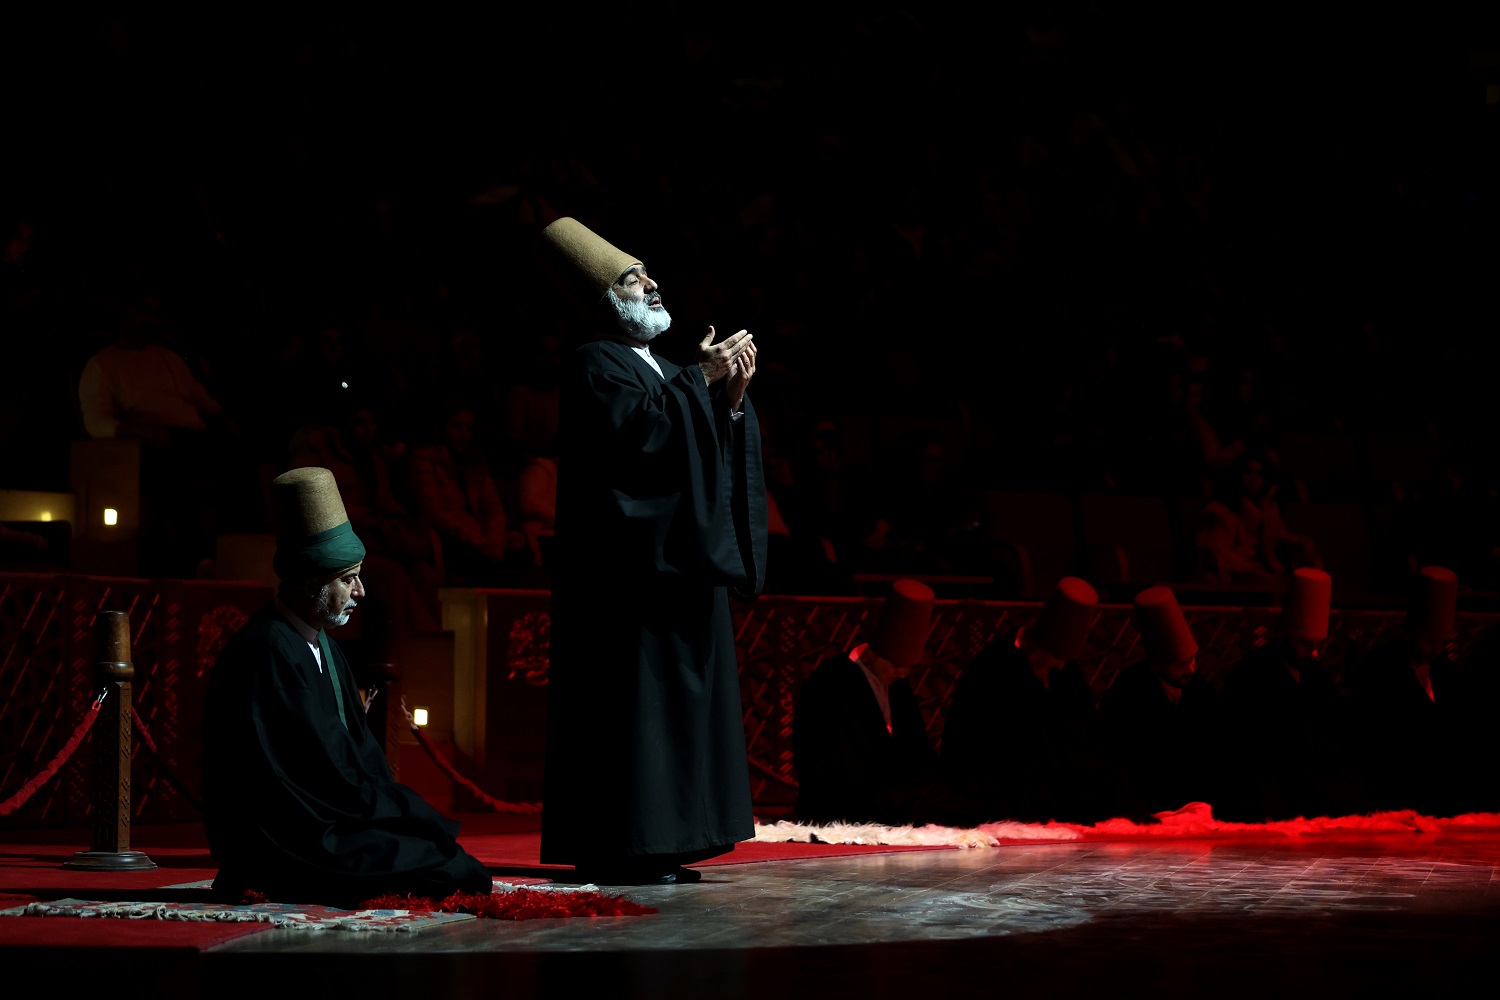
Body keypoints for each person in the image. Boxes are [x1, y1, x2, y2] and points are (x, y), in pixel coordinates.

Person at [535, 216, 768, 885]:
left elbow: (696, 445)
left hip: (678, 567)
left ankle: (671, 840)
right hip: (628, 576)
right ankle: (624, 844)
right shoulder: (594, 363)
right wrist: (700, 381)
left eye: (646, 274)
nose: (653, 285)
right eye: (635, 280)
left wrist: (730, 400)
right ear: (607, 300)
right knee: (635, 714)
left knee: (678, 714)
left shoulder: (662, 367)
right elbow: (638, 446)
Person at [200, 466, 492, 906]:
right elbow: (306, 774)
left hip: (333, 814)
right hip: (291, 833)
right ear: (310, 582)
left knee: (446, 857)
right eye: (347, 579)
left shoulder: (322, 645)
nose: (360, 592)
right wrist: (386, 808)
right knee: (447, 870)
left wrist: (389, 805)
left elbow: (354, 754)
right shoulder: (268, 649)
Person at [792, 579, 978, 826]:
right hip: (847, 797)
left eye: (907, 667)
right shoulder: (831, 682)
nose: (902, 673)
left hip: (893, 790)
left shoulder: (898, 684)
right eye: (897, 665)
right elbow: (833, 764)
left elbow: (917, 750)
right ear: (876, 651)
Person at [939, 576, 1112, 824]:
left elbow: (1083, 736)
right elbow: (984, 752)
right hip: (1000, 795)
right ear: (1034, 648)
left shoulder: (1066, 672)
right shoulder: (994, 670)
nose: (1055, 670)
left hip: (1054, 793)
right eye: (1049, 663)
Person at [1213, 568, 1355, 821]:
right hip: (1267, 800)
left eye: (1317, 645)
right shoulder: (1252, 673)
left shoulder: (1317, 676)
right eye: (1305, 644)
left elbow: (1338, 738)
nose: (1313, 654)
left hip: (1316, 799)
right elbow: (1244, 754)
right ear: (1284, 633)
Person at [1344, 565, 1463, 816]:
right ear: (1412, 632)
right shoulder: (1379, 669)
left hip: (1441, 792)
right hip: (1393, 791)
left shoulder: (1444, 671)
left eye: (1442, 643)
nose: (1436, 650)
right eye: (1430, 641)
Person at [1096, 585, 1216, 822]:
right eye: (1181, 664)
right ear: (1158, 662)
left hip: (1194, 803)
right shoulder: (1128, 692)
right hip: (1145, 805)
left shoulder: (1199, 690)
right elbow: (1117, 759)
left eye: (1193, 660)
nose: (1191, 669)